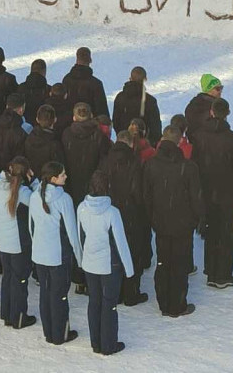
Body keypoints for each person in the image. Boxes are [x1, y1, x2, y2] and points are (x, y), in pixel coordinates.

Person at [144, 125, 202, 317]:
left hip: (161, 222)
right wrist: (195, 219)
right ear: (179, 141)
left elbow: (147, 196)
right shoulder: (188, 167)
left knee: (163, 262)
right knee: (179, 264)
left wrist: (152, 217)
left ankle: (164, 301)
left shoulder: (151, 165)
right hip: (182, 224)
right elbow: (196, 198)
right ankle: (177, 304)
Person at [190, 98, 233, 288]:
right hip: (227, 193)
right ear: (227, 113)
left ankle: (210, 268)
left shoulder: (198, 136)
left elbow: (194, 165)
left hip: (206, 192)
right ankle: (222, 274)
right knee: (228, 233)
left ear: (212, 112)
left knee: (211, 230)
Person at [78, 170, 133, 356]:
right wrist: (129, 269)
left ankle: (96, 342)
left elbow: (80, 236)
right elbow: (120, 242)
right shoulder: (112, 212)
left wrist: (82, 259)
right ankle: (108, 344)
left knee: (94, 302)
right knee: (109, 304)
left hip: (90, 263)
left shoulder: (81, 208)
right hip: (109, 266)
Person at [29, 161, 82, 345]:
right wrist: (79, 257)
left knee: (45, 292)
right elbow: (71, 231)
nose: (66, 176)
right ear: (54, 178)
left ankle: (48, 331)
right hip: (58, 256)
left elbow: (31, 225)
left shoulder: (34, 195)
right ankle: (60, 334)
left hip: (39, 254)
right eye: (63, 174)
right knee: (59, 295)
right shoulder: (64, 199)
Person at [100, 130, 149, 306]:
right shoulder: (135, 161)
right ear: (131, 143)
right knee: (132, 251)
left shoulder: (105, 160)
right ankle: (131, 291)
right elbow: (137, 190)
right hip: (130, 212)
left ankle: (117, 290)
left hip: (110, 209)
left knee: (114, 250)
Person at [0, 156, 36, 328]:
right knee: (19, 279)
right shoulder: (23, 192)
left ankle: (7, 313)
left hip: (1, 239)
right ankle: (19, 316)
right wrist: (35, 181)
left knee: (7, 276)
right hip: (17, 242)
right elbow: (37, 202)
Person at [62, 103, 111, 207]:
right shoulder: (99, 136)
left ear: (74, 117)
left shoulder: (66, 134)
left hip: (71, 182)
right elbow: (104, 160)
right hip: (92, 185)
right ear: (91, 115)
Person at [110, 66, 161, 145]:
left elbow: (116, 121)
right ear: (145, 79)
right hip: (144, 144)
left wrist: (122, 135)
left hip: (124, 141)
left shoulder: (120, 97)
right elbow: (155, 126)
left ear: (130, 78)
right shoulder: (150, 101)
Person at [61, 47, 108, 117]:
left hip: (68, 124)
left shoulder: (66, 79)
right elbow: (102, 110)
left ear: (77, 59)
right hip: (91, 125)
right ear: (90, 60)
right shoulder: (96, 83)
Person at [184, 73, 222, 141]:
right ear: (209, 90)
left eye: (221, 88)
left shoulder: (194, 103)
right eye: (217, 89)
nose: (220, 91)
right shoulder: (210, 107)